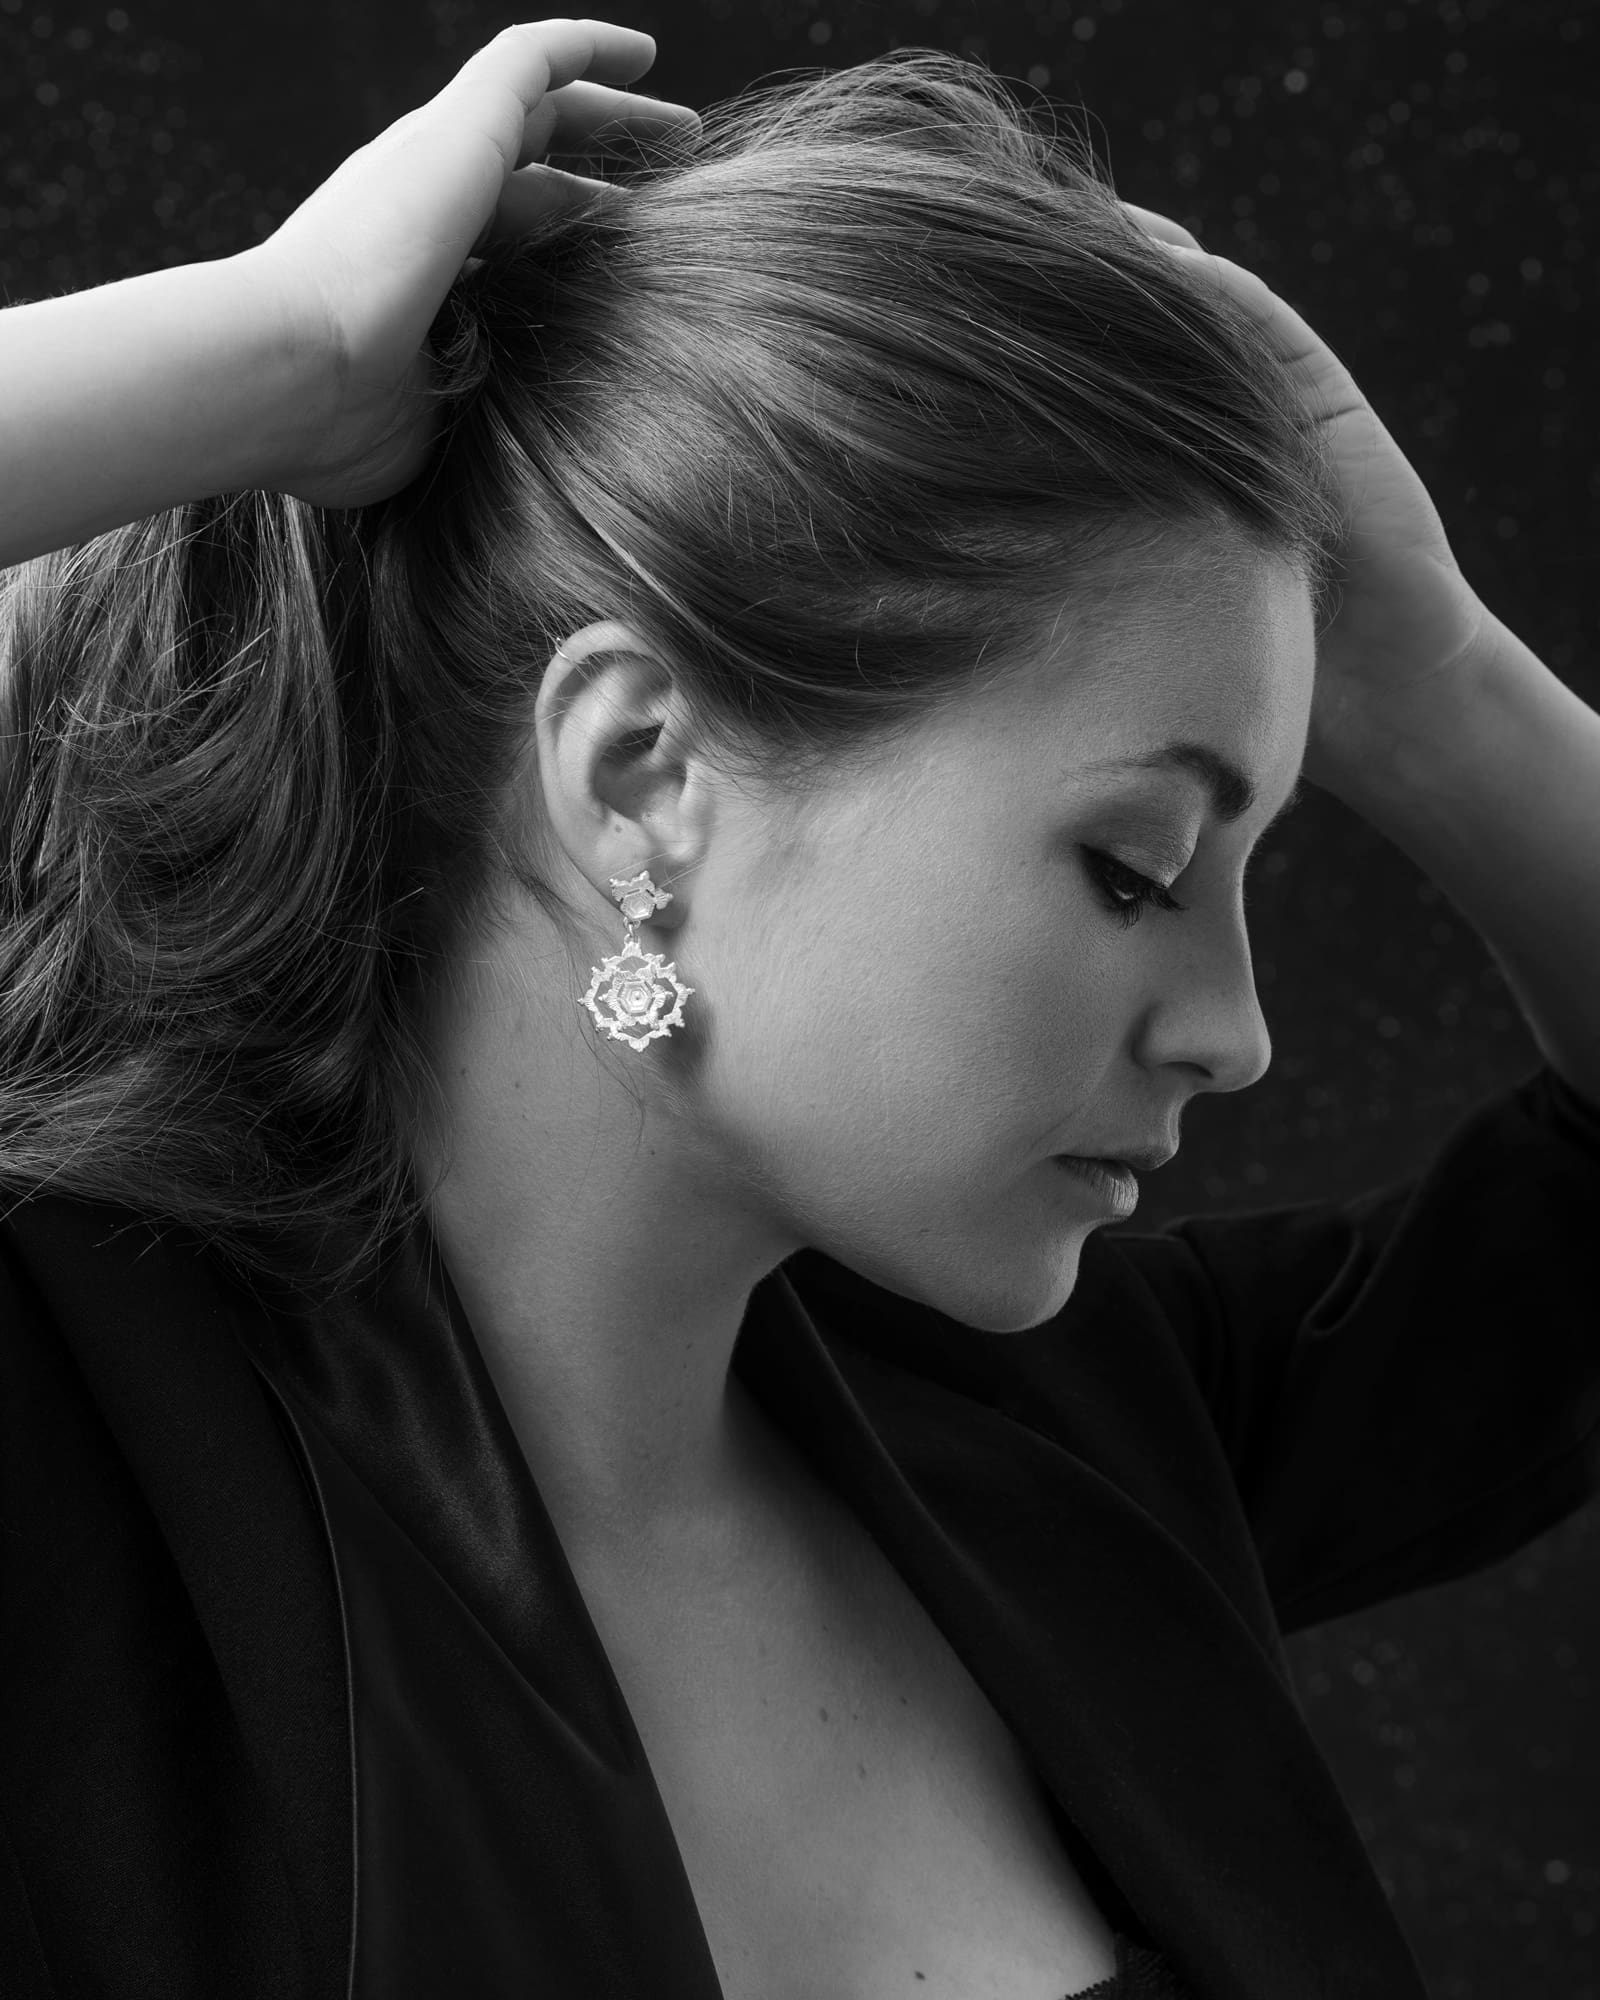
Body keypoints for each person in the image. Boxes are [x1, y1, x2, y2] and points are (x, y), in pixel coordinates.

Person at [1, 17, 1596, 2000]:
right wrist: (282, 357)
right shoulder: (80, 1459)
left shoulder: (1082, 1433)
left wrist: (1436, 683)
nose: (1231, 1027)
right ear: (641, 779)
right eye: (1129, 864)